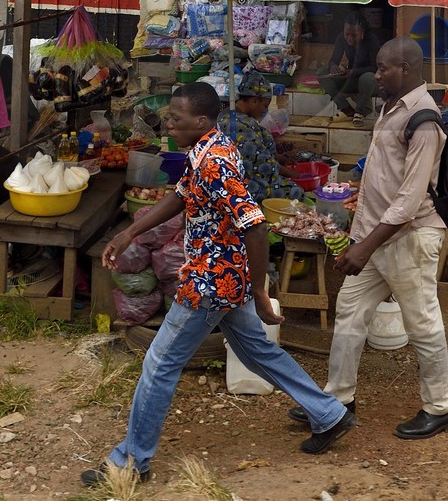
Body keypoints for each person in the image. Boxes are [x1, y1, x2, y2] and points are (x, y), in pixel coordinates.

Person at [83, 83, 354, 486]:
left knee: (159, 365)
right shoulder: (206, 148)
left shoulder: (215, 163)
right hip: (225, 275)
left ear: (201, 120)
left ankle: (131, 462)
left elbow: (255, 226)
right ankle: (328, 414)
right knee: (257, 350)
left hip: (210, 283)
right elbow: (180, 197)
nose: (168, 124)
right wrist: (129, 233)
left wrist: (260, 292)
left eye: (176, 118)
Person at [289, 38, 448, 439]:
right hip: (376, 236)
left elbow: (409, 202)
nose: (375, 75)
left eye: (383, 69)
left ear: (406, 69)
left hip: (410, 238)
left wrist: (363, 247)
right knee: (349, 311)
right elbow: (384, 175)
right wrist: (359, 218)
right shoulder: (391, 106)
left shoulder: (424, 121)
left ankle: (441, 407)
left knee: (422, 322)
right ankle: (337, 401)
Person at [225, 69, 303, 203]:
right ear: (254, 101)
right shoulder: (242, 127)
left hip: (237, 176)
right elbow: (262, 166)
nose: (264, 111)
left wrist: (278, 158)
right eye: (265, 106)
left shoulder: (232, 115)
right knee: (295, 191)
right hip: (238, 184)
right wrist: (291, 174)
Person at [320, 14, 380, 123]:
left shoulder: (372, 40)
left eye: (354, 35)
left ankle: (360, 111)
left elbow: (375, 68)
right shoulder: (341, 38)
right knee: (321, 72)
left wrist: (353, 72)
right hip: (351, 80)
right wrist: (333, 66)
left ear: (362, 32)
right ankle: (346, 108)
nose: (349, 38)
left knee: (367, 78)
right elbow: (333, 60)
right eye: (347, 34)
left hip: (369, 83)